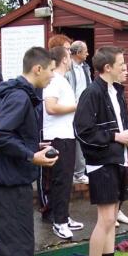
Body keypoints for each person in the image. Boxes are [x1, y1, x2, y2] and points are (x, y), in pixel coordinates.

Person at [0, 47, 57, 256]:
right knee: (15, 246)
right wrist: (32, 156)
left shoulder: (23, 96)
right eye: (51, 69)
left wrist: (35, 148)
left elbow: (10, 135)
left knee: (22, 245)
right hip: (9, 182)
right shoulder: (19, 96)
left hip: (14, 179)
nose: (53, 75)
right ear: (38, 69)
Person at [73, 46, 128, 256]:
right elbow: (82, 131)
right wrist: (117, 136)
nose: (126, 68)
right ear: (107, 68)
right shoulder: (91, 93)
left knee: (112, 220)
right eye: (122, 64)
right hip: (101, 163)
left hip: (118, 160)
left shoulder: (116, 91)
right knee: (106, 220)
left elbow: (121, 126)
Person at [41, 46, 84, 239]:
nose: (70, 57)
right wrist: (77, 106)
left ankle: (64, 217)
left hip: (67, 135)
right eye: (68, 54)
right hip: (57, 137)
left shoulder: (63, 80)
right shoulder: (53, 80)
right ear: (64, 59)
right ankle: (59, 222)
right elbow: (50, 107)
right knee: (60, 181)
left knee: (66, 181)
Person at [66, 41, 91, 185]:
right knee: (72, 141)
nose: (87, 53)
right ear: (78, 53)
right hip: (70, 109)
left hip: (84, 108)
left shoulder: (86, 68)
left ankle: (80, 172)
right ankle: (77, 173)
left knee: (82, 139)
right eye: (85, 51)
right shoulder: (68, 69)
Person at [115, 64, 128, 226]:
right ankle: (112, 213)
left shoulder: (121, 91)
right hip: (113, 145)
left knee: (124, 180)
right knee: (114, 181)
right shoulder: (106, 92)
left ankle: (118, 211)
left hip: (124, 141)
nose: (127, 72)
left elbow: (124, 118)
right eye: (123, 69)